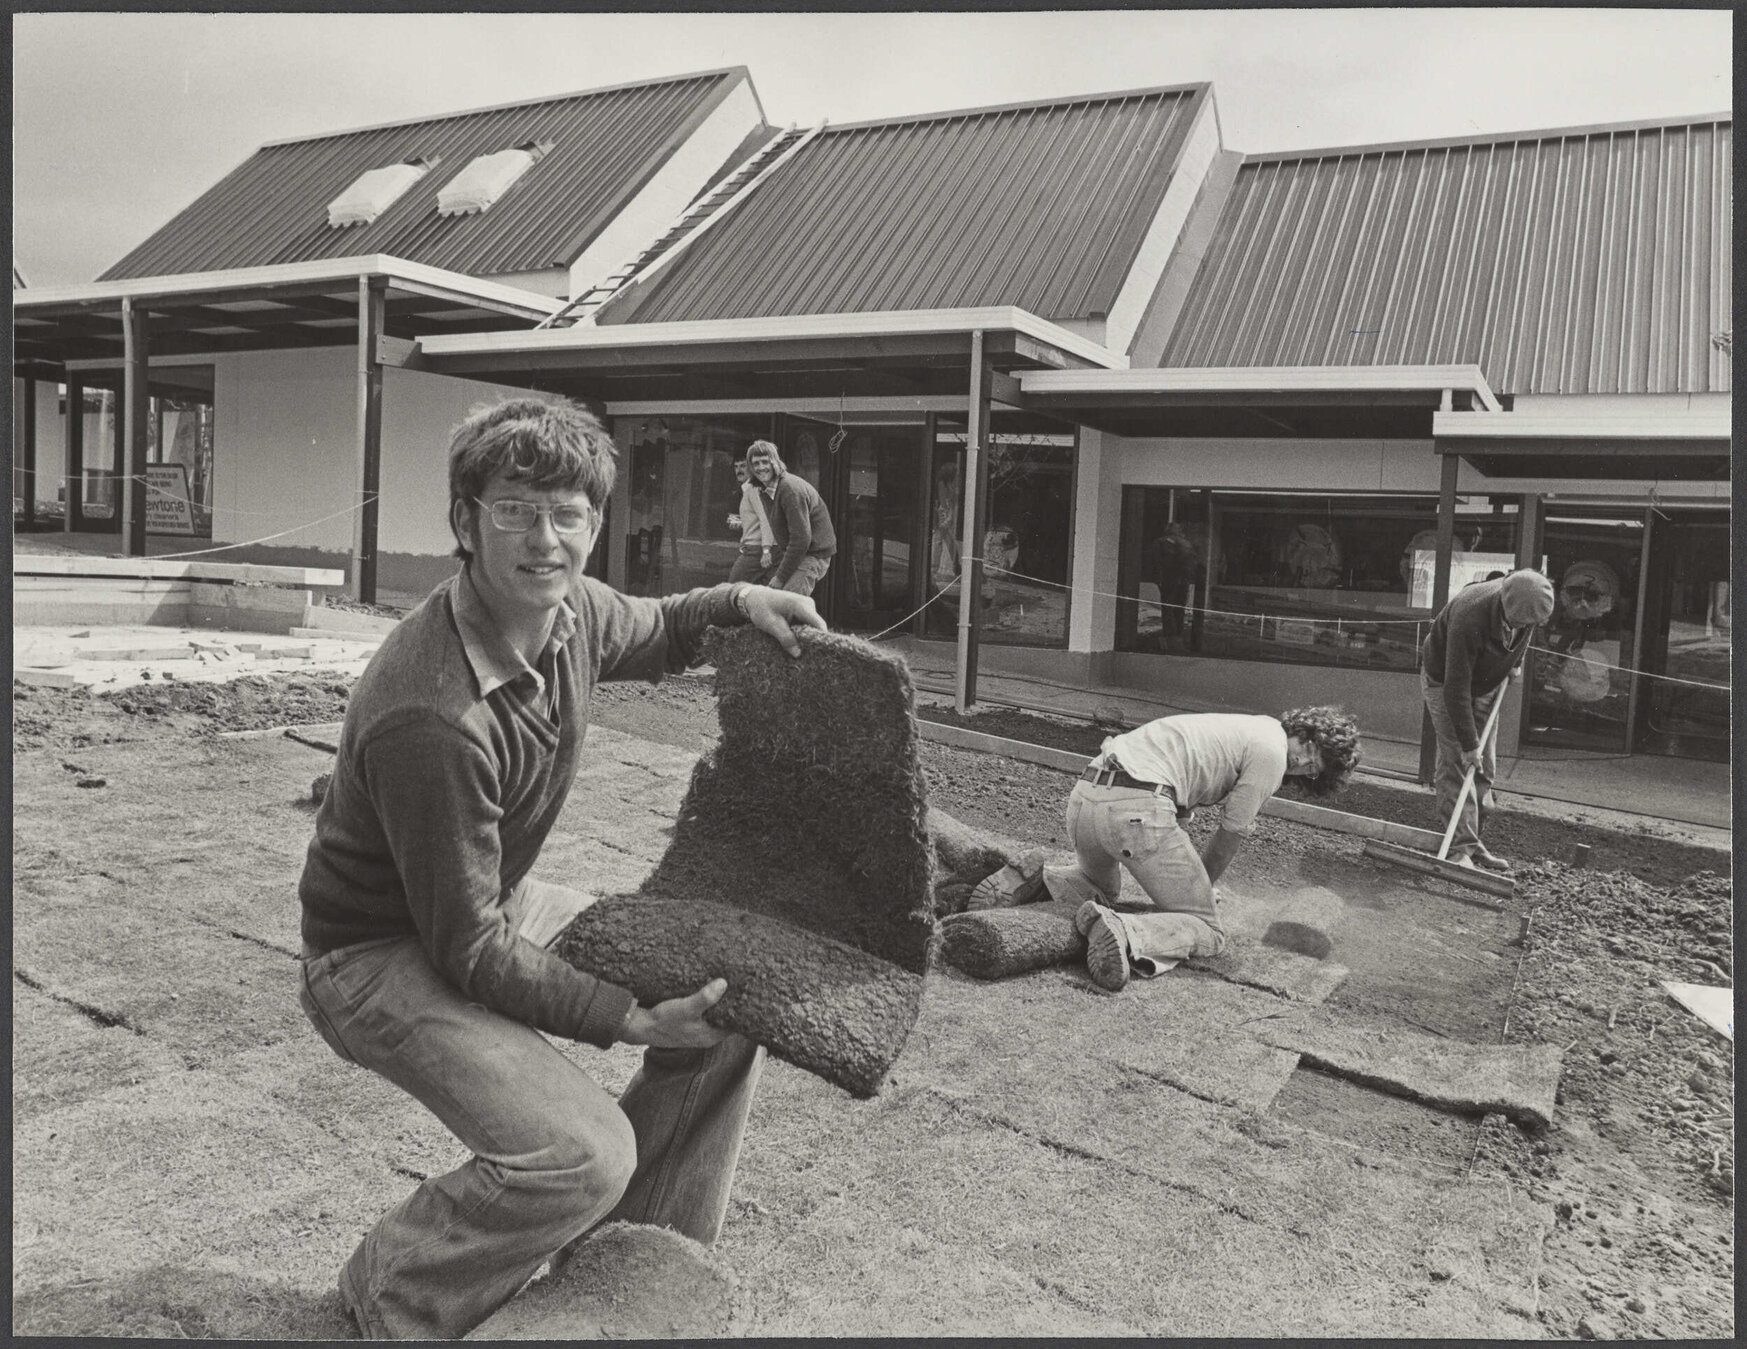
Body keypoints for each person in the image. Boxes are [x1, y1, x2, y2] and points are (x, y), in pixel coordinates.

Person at [296, 397, 825, 1339]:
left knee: (733, 996)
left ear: (595, 521)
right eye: (514, 509)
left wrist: (745, 602)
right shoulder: (434, 714)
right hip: (376, 956)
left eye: (568, 512)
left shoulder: (571, 612)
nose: (545, 539)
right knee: (579, 1153)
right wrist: (624, 1015)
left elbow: (661, 624)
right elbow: (467, 947)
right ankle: (390, 1294)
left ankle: (636, 1269)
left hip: (485, 904)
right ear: (465, 522)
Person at [971, 707, 1361, 992]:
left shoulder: (1237, 727)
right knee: (1207, 930)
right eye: (1309, 748)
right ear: (1302, 730)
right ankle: (1126, 934)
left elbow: (1178, 812)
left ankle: (1040, 879)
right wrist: (1200, 892)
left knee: (1100, 888)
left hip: (1087, 797)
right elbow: (1231, 833)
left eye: (1313, 769)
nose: (1302, 761)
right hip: (1134, 809)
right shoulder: (1271, 754)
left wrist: (1185, 878)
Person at [1420, 567, 1555, 873]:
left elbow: (1524, 631)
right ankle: (1459, 851)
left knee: (1485, 767)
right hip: (1445, 683)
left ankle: (1472, 842)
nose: (1528, 627)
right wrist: (1468, 745)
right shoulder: (1470, 615)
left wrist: (1515, 662)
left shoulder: (1527, 604)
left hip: (1486, 682)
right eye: (1521, 622)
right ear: (1505, 606)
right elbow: (1456, 688)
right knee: (1459, 762)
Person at [747, 440, 836, 596]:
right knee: (776, 602)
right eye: (755, 463)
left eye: (765, 462)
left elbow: (801, 539)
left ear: (775, 462)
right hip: (798, 553)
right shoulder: (765, 490)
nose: (760, 467)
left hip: (813, 554)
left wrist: (780, 578)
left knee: (787, 605)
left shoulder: (789, 489)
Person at [726, 453, 775, 583]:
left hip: (757, 548)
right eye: (736, 467)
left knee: (733, 587)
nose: (739, 470)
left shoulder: (754, 488)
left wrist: (766, 549)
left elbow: (765, 518)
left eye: (743, 466)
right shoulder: (743, 490)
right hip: (753, 546)